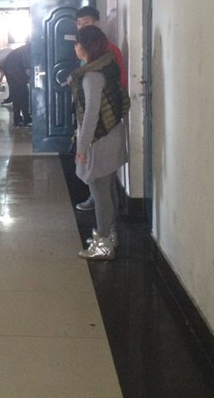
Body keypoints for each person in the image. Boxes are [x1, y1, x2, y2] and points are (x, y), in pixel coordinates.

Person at [70, 25, 129, 260]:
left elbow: (91, 116)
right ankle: (110, 234)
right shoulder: (107, 66)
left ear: (85, 46)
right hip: (112, 135)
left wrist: (82, 148)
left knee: (100, 192)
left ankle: (103, 244)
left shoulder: (92, 76)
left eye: (76, 43)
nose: (75, 47)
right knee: (109, 187)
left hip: (99, 141)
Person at [74, 5, 128, 211]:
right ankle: (102, 211)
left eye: (86, 22)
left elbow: (96, 107)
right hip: (101, 124)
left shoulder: (106, 54)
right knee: (103, 181)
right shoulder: (90, 57)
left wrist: (82, 146)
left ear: (96, 23)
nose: (82, 26)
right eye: (79, 23)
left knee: (100, 179)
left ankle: (105, 223)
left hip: (103, 126)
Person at [0, 43, 32, 127]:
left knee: (17, 96)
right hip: (14, 72)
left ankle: (19, 119)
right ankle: (25, 119)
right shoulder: (28, 50)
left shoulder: (25, 49)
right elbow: (28, 69)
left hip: (11, 70)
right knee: (23, 95)